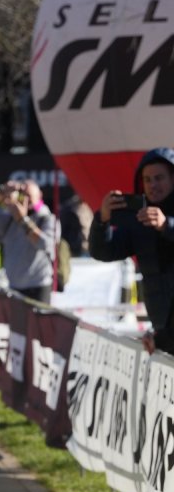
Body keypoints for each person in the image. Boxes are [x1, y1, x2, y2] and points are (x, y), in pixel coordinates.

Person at [89, 148, 174, 352]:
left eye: (159, 178)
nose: (153, 185)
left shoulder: (160, 220)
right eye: (147, 180)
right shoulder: (139, 220)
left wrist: (166, 226)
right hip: (162, 328)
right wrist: (102, 219)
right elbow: (104, 252)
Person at [0, 179, 57, 303]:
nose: (25, 200)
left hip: (38, 287)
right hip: (15, 287)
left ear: (39, 196)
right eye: (22, 195)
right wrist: (1, 192)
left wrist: (23, 220)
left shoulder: (47, 219)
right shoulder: (10, 219)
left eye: (29, 196)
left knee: (37, 323)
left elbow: (45, 244)